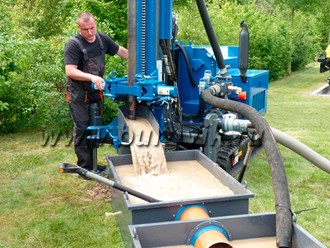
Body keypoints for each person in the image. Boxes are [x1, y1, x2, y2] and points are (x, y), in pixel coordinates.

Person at [64, 12, 128, 171]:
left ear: (95, 24)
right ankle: (85, 167)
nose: (90, 32)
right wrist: (92, 78)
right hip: (78, 94)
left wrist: (140, 60)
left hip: (95, 92)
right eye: (85, 29)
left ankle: (93, 164)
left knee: (95, 125)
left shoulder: (101, 39)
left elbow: (121, 51)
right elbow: (70, 71)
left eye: (92, 28)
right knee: (83, 128)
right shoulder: (73, 44)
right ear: (78, 28)